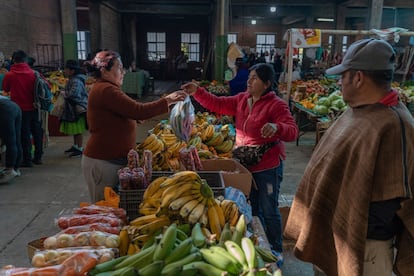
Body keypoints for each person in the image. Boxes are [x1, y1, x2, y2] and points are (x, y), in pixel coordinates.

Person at [284, 38, 414, 276]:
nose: (340, 83)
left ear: (358, 78)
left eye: (343, 76)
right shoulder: (357, 112)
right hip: (334, 235)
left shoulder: (394, 125)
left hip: (364, 249)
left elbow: (394, 198)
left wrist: (348, 221)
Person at [181, 63, 299, 266]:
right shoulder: (242, 99)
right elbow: (217, 103)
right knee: (252, 208)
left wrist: (276, 127)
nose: (249, 81)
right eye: (249, 77)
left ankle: (277, 250)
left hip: (267, 167)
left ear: (267, 83)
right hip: (245, 166)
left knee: (269, 208)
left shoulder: (276, 105)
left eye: (254, 78)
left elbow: (292, 130)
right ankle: (260, 247)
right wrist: (197, 92)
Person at [82, 50, 187, 202]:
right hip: (103, 162)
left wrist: (132, 119)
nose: (123, 72)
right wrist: (168, 100)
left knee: (110, 206)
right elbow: (138, 110)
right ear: (104, 70)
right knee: (103, 208)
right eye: (119, 68)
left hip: (111, 160)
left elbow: (123, 112)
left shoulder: (105, 88)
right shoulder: (106, 89)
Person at [2, 50, 44, 167]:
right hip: (35, 107)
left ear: (14, 60)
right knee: (37, 132)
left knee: (24, 134)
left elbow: (6, 89)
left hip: (19, 109)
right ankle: (38, 156)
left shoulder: (10, 75)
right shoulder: (34, 73)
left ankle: (27, 159)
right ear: (25, 60)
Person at [60, 60, 88, 158]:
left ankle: (80, 149)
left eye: (66, 69)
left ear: (72, 71)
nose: (64, 71)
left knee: (78, 129)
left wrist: (64, 93)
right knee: (75, 129)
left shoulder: (76, 80)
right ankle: (76, 146)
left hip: (78, 108)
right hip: (73, 107)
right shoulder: (73, 79)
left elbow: (74, 94)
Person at [0, 95, 22, 183]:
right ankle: (16, 168)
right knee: (16, 140)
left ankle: (10, 170)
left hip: (4, 109)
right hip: (15, 107)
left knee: (10, 141)